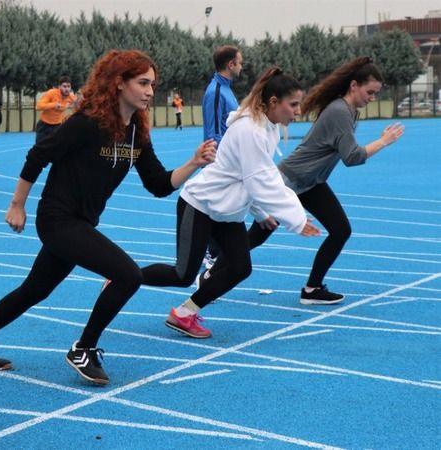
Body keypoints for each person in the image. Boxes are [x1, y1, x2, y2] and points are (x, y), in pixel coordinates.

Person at [0, 49, 215, 385]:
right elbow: (38, 155)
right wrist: (17, 204)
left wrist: (194, 163)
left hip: (83, 222)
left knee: (34, 290)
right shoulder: (87, 123)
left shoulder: (135, 133)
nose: (151, 90)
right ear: (119, 83)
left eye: (153, 84)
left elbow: (159, 185)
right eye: (143, 83)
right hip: (58, 220)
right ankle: (84, 348)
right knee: (128, 275)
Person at [141, 67, 321, 339]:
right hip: (200, 204)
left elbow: (251, 176)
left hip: (227, 211)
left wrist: (261, 213)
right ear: (274, 102)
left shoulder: (267, 127)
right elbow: (260, 179)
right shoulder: (251, 129)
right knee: (183, 275)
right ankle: (125, 276)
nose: (298, 111)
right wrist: (296, 219)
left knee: (240, 268)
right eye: (293, 104)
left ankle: (184, 314)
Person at [234, 56, 405, 305]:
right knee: (261, 232)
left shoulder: (347, 110)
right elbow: (352, 157)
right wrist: (384, 141)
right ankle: (214, 270)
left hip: (311, 182)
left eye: (376, 94)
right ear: (354, 85)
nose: (372, 98)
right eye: (370, 92)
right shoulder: (340, 112)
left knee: (340, 230)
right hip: (292, 179)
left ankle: (312, 289)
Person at [202, 45, 244, 269]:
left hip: (230, 159)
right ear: (231, 64)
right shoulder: (216, 90)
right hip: (220, 160)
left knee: (225, 206)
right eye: (240, 62)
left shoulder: (226, 89)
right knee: (216, 207)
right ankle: (211, 252)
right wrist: (217, 160)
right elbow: (213, 131)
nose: (242, 66)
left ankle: (214, 249)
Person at [34, 75, 76, 143]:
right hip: (44, 125)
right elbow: (38, 106)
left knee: (55, 148)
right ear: (59, 87)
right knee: (40, 148)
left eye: (68, 86)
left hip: (57, 126)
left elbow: (79, 107)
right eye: (64, 86)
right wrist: (53, 105)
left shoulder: (71, 97)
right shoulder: (51, 93)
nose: (67, 89)